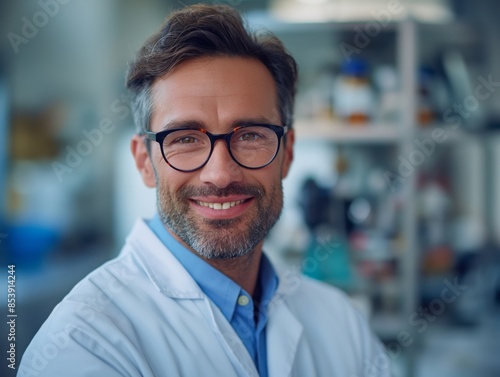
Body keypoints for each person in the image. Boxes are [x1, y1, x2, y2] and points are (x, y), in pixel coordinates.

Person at [19, 5, 389, 377]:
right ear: (145, 161)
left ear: (287, 152)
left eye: (249, 136)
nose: (220, 173)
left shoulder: (341, 323)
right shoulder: (84, 344)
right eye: (185, 139)